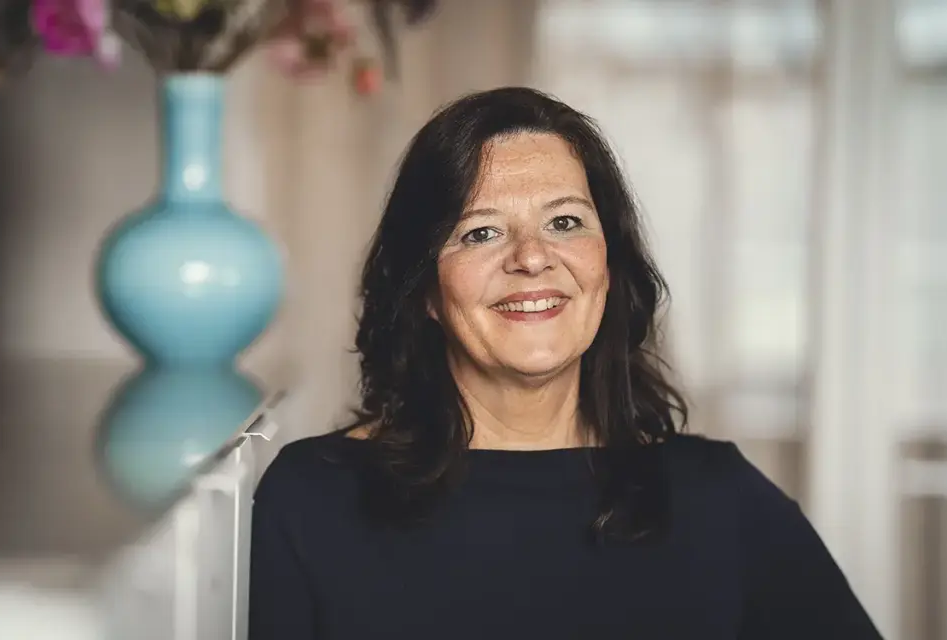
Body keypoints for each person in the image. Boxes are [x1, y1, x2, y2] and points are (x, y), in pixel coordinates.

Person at [248, 87, 883, 639]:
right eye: (481, 232)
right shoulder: (312, 499)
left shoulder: (721, 500)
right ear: (425, 292)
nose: (532, 257)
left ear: (608, 265)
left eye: (565, 221)